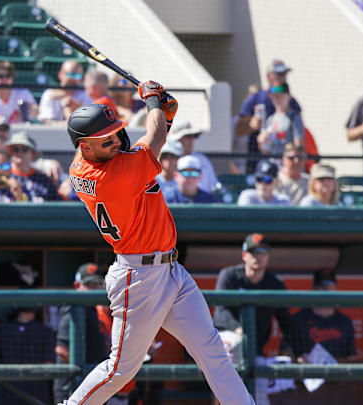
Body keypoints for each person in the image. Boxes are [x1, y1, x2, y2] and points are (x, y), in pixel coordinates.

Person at [60, 79, 254, 404]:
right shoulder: (112, 176)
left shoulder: (96, 163)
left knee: (212, 350)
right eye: (105, 141)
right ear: (85, 147)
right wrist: (153, 103)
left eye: (116, 134)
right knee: (120, 369)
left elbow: (149, 141)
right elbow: (155, 138)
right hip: (138, 277)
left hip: (170, 270)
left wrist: (163, 113)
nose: (116, 141)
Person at [213, 233, 295, 405]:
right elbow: (221, 313)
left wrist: (289, 349)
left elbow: (287, 323)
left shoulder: (275, 284)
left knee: (260, 397)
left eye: (263, 252)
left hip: (255, 351)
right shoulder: (229, 276)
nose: (258, 256)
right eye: (253, 252)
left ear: (268, 256)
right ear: (244, 255)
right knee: (235, 347)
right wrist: (238, 328)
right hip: (226, 341)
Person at [54, 263, 134, 405]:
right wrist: (86, 374)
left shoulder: (93, 310)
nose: (95, 288)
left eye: (98, 283)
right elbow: (62, 350)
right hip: (73, 389)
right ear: (77, 285)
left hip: (89, 388)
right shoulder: (73, 309)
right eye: (90, 284)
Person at [235, 60, 303, 173]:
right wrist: (250, 125)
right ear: (268, 76)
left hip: (286, 164)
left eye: (285, 74)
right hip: (256, 159)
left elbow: (300, 136)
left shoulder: (292, 103)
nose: (283, 77)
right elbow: (238, 128)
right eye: (279, 74)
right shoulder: (256, 98)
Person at [281, 269, 357, 362]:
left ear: (335, 289)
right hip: (306, 374)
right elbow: (284, 354)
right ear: (313, 289)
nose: (326, 290)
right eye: (322, 286)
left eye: (330, 286)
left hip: (336, 374)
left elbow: (352, 359)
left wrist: (331, 362)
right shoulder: (298, 319)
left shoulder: (345, 321)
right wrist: (298, 360)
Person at [0, 306, 55, 403]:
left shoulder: (2, 329)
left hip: (9, 392)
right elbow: (49, 366)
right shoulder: (46, 331)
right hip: (36, 394)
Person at [166, 120, 219, 192]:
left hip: (203, 201)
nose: (191, 140)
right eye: (187, 137)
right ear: (176, 140)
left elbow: (214, 187)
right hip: (174, 202)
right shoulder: (166, 161)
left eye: (192, 137)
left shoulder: (202, 160)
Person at [6, 132, 59, 202]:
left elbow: (56, 205)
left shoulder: (43, 179)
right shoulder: (5, 177)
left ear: (33, 153)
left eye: (25, 149)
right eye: (16, 149)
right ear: (11, 153)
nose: (20, 153)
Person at [255, 83, 304, 158]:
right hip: (273, 163)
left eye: (280, 96)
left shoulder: (294, 117)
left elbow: (299, 146)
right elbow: (266, 152)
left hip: (288, 164)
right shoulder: (270, 119)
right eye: (274, 97)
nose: (277, 99)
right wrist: (260, 142)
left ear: (289, 96)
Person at [37, 59, 91, 124]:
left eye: (77, 76)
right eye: (70, 74)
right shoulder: (49, 94)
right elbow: (48, 123)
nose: (72, 79)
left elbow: (88, 123)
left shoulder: (86, 94)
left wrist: (76, 106)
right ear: (60, 75)